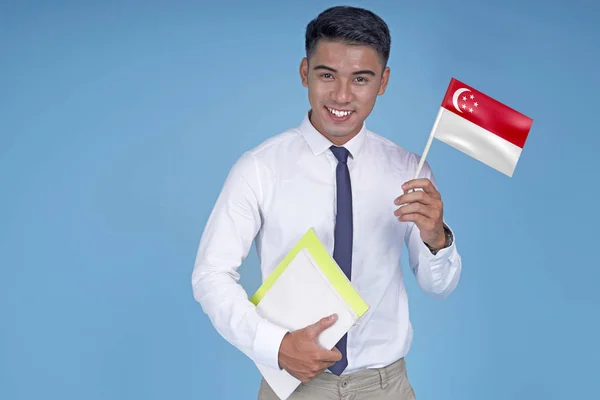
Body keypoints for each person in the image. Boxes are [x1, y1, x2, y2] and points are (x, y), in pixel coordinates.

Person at [192, 5, 462, 399]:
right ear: (305, 72)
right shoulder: (259, 168)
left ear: (383, 81)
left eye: (361, 79)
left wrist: (437, 238)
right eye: (326, 75)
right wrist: (276, 345)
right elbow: (210, 275)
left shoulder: (409, 170)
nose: (341, 95)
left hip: (385, 387)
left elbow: (438, 287)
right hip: (296, 384)